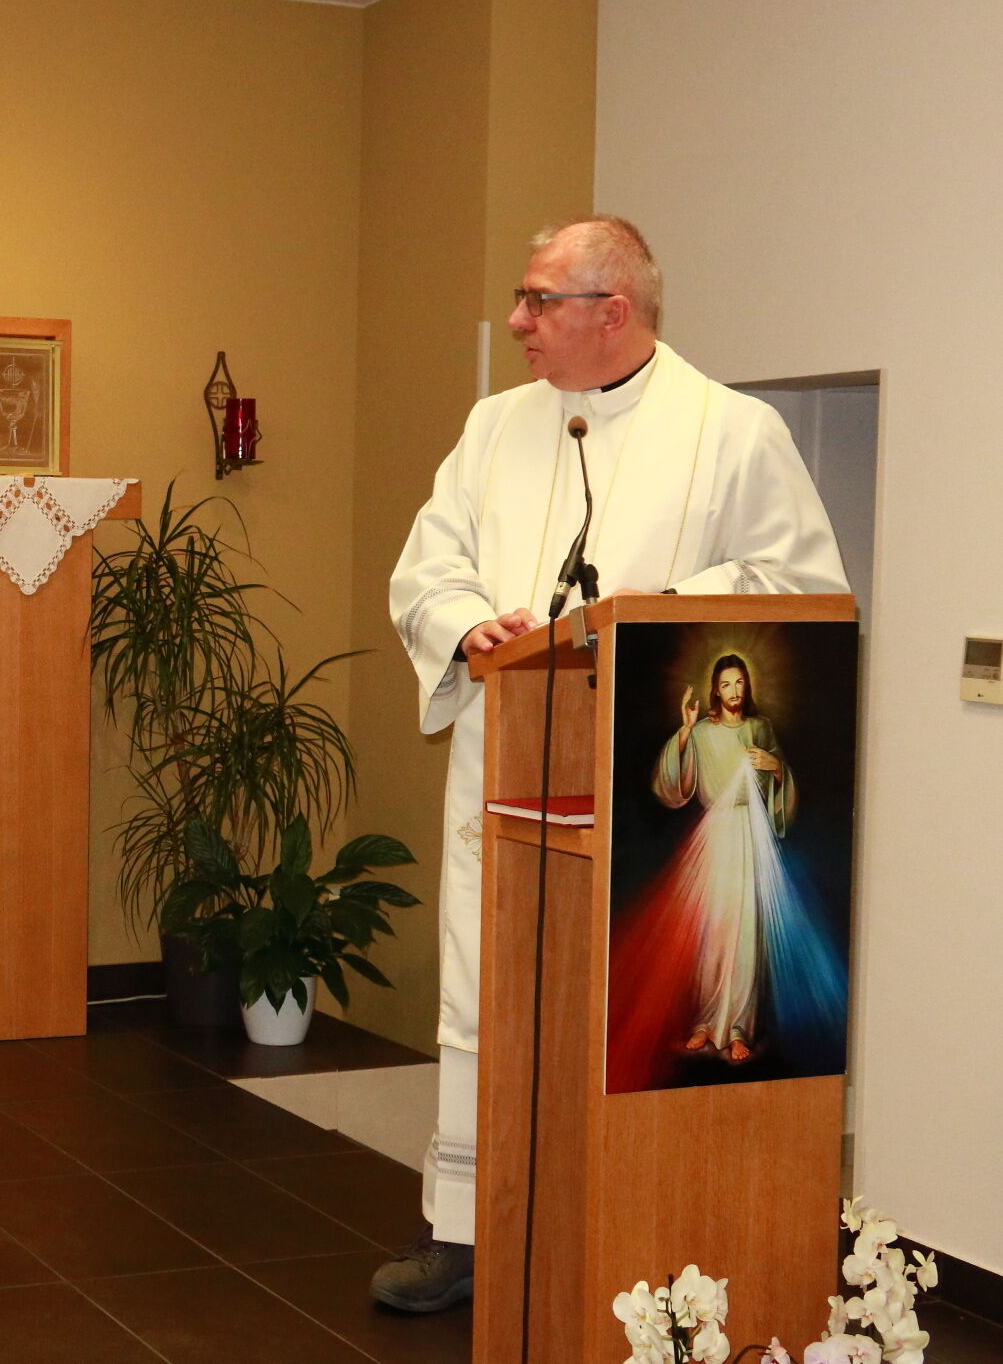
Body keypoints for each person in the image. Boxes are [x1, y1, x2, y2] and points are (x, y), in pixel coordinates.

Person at [381, 215, 847, 1312]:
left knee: (631, 1007)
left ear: (613, 312)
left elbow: (801, 588)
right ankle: (468, 1229)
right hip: (509, 763)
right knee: (486, 994)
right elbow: (430, 562)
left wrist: (646, 618)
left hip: (652, 802)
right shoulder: (495, 426)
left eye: (538, 300)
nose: (516, 321)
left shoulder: (731, 432)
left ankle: (629, 1228)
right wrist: (467, 625)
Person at [653, 654, 790, 1064]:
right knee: (713, 927)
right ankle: (706, 1020)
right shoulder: (702, 731)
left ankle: (737, 1027)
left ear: (747, 685)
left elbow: (781, 782)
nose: (734, 690)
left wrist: (776, 767)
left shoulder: (760, 727)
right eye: (726, 684)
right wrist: (684, 731)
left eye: (739, 682)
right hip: (715, 834)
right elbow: (671, 784)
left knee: (745, 931)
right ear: (716, 690)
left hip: (750, 832)